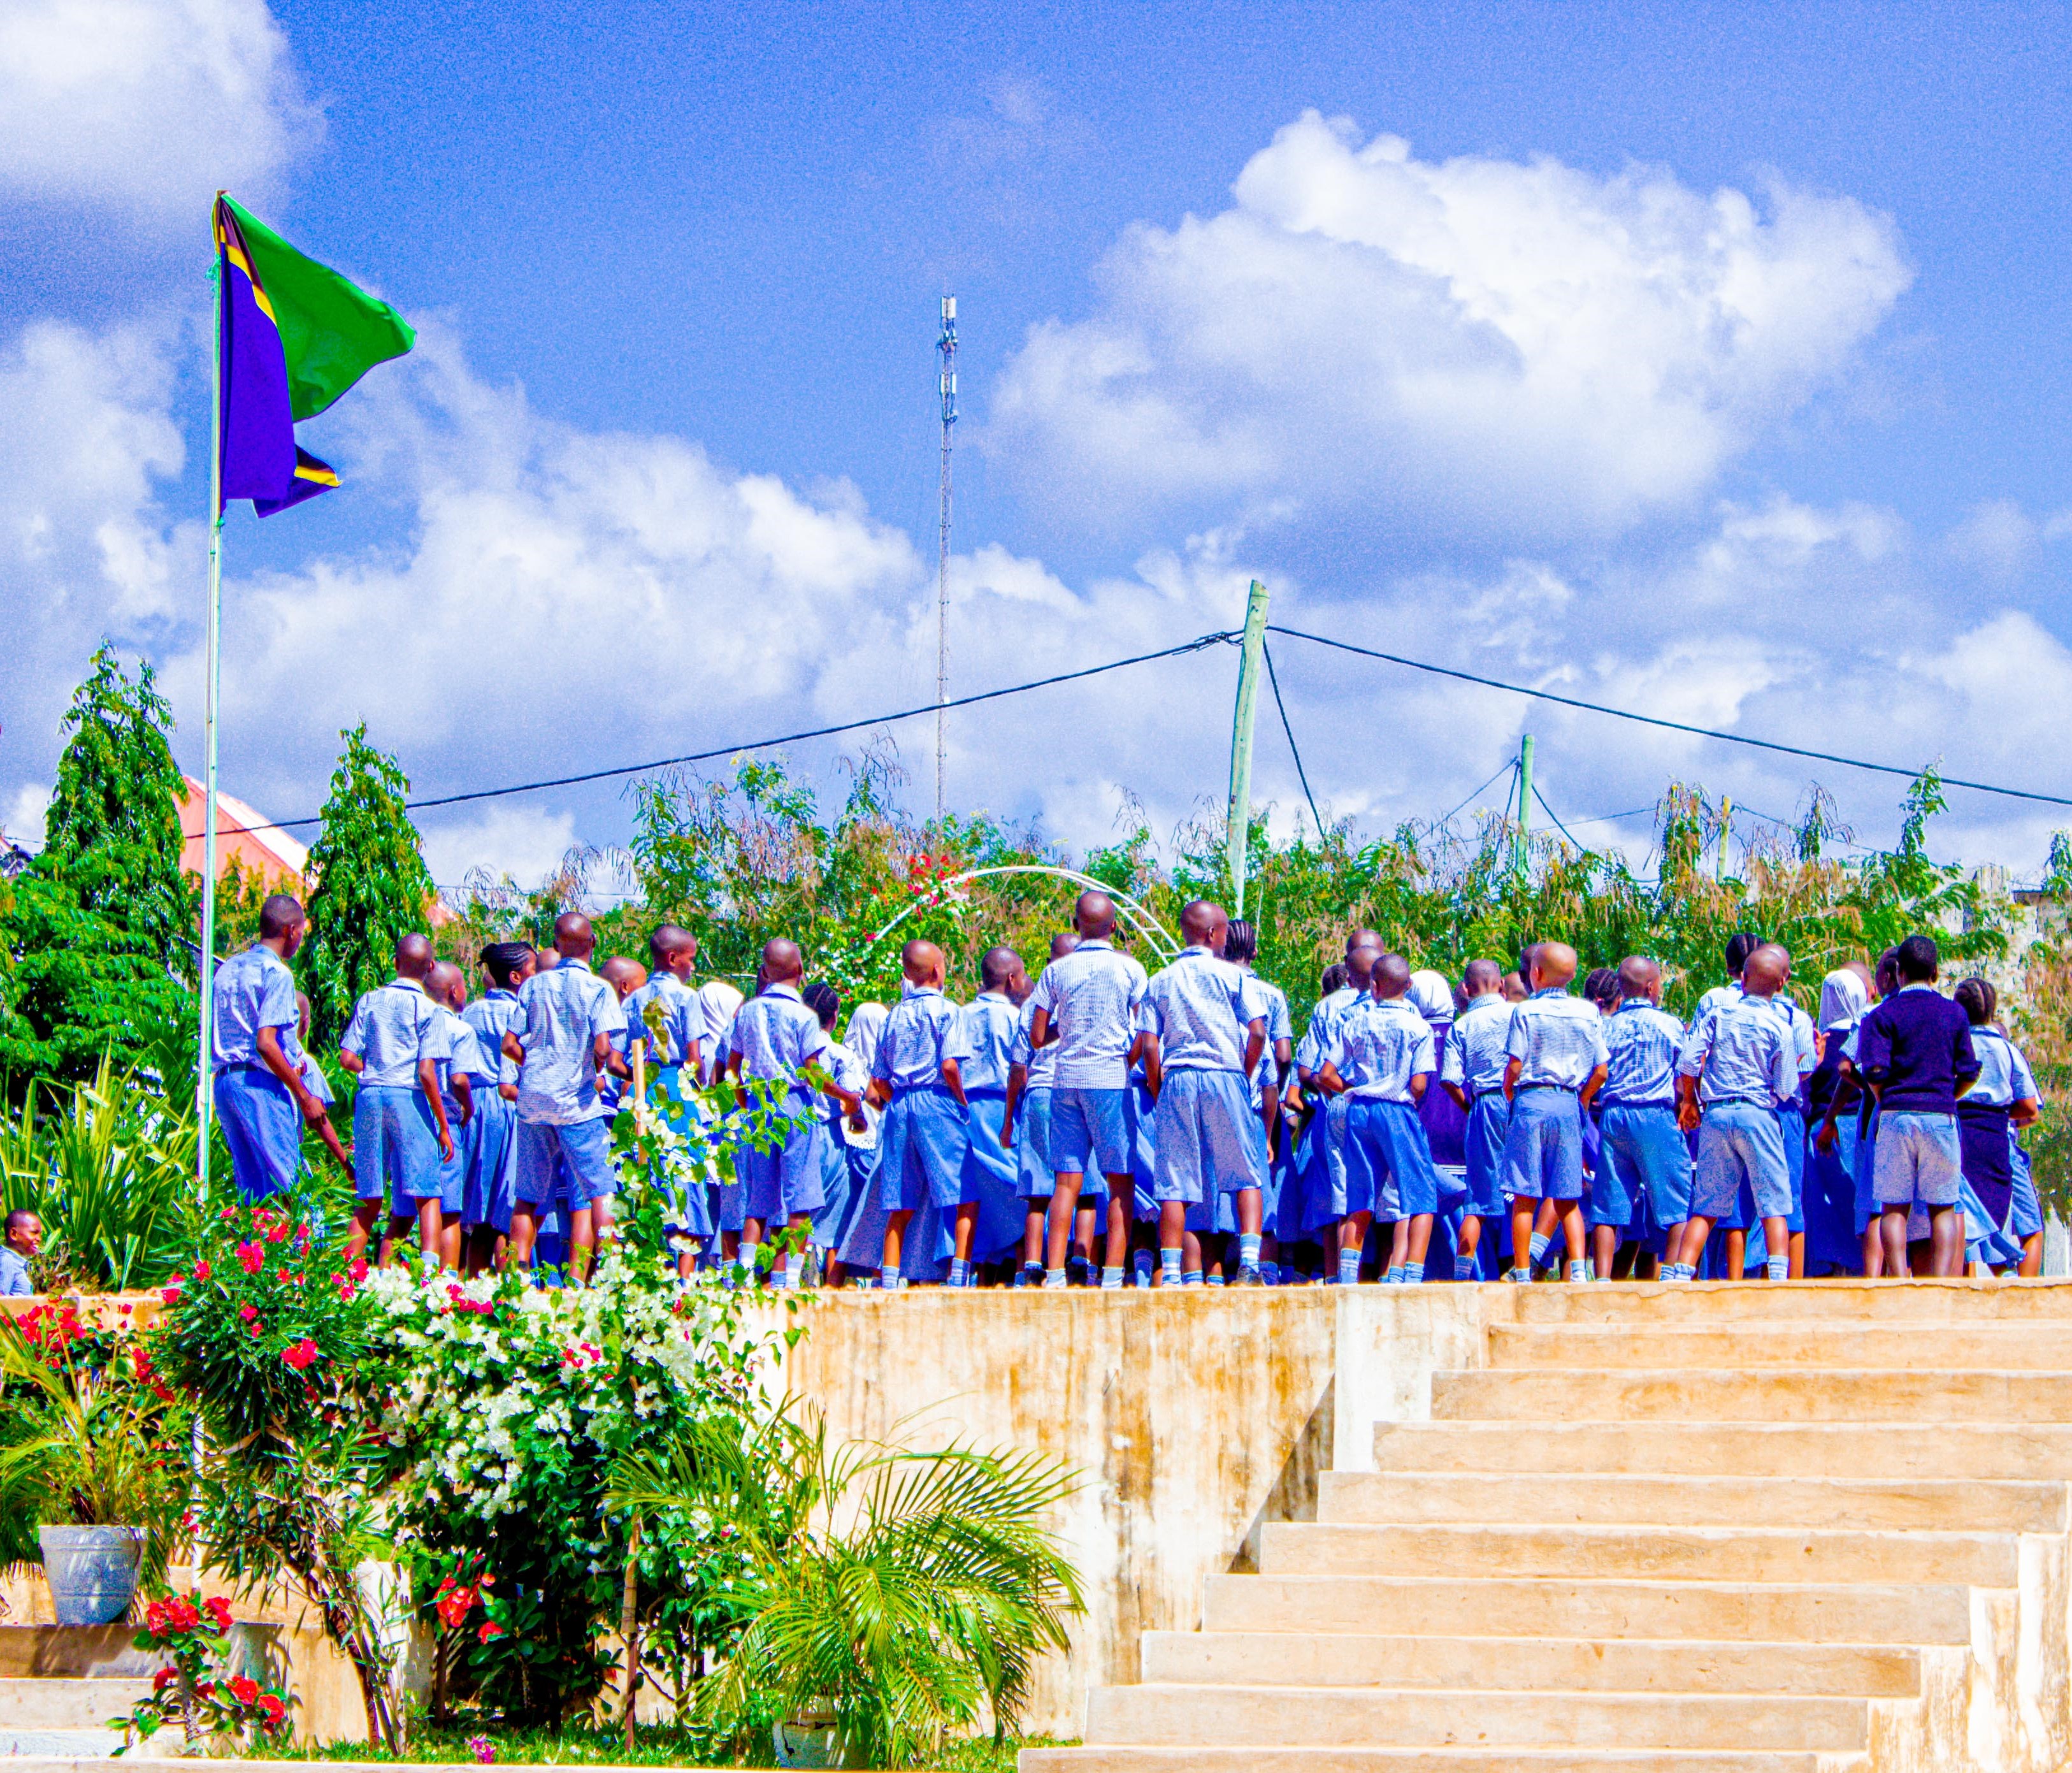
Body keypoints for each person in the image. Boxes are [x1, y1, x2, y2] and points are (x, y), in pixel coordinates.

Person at [1141, 901, 1270, 1287]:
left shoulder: (1160, 980)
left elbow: (1150, 1045)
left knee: (1175, 1181)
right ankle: (1249, 1266)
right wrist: (1243, 1073)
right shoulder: (1234, 977)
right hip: (1225, 1074)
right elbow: (1259, 1033)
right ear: (1215, 935)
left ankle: (1172, 1274)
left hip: (1179, 1076)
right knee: (1246, 1172)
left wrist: (1157, 1086)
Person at [1028, 892, 1152, 1289]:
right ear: (1114, 927)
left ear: (1076, 924)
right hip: (1111, 1078)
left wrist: (1069, 1030)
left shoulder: (1056, 972)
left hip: (1066, 1078)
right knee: (1119, 1179)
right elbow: (1144, 1032)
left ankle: (1054, 1273)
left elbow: (1036, 1037)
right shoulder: (1130, 969)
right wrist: (1127, 1061)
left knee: (1066, 1179)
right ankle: (1114, 1274)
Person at [504, 913, 629, 1279]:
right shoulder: (599, 989)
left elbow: (510, 1043)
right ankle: (612, 1275)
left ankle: (517, 1275)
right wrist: (592, 1066)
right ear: (592, 944)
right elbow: (605, 1047)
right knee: (600, 1190)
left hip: (533, 1102)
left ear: (556, 946)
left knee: (528, 1195)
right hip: (577, 1103)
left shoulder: (531, 987)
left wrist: (536, 1064)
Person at [1855, 934, 1979, 1278]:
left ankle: (1898, 1278)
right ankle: (1940, 1282)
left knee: (1893, 1206)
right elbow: (1969, 1071)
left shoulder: (1881, 1014)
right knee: (1943, 1206)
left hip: (1896, 1115)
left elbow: (1874, 1071)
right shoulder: (1954, 1014)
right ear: (1936, 972)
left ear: (1899, 973)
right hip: (1941, 1116)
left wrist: (1887, 1100)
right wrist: (1947, 1097)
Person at [1673, 944, 1797, 1282]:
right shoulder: (1781, 1027)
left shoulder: (1718, 1014)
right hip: (1758, 1115)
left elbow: (1688, 1060)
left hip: (1717, 1114)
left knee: (1708, 1204)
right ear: (1781, 985)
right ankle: (1779, 1279)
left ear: (1743, 979)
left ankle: (1682, 1274)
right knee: (1773, 1202)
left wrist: (1690, 1102)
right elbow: (1785, 1089)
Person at [730, 939, 848, 1288]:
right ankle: (793, 1279)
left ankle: (743, 1276)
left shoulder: (747, 1012)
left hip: (758, 1106)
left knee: (759, 1199)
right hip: (795, 1105)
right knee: (801, 1197)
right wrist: (847, 1097)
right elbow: (812, 1072)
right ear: (800, 971)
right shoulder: (804, 1016)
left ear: (764, 972)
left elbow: (732, 1068)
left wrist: (743, 1100)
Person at [1318, 953, 1443, 1284]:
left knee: (1360, 1196)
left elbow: (1325, 1074)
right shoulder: (1419, 1027)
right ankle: (1413, 1275)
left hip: (1359, 1111)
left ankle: (1347, 1278)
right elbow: (1419, 1084)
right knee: (1420, 1194)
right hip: (1398, 1110)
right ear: (1410, 986)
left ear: (1373, 986)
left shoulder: (1356, 1022)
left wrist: (1354, 1089)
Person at [340, 933, 456, 1268]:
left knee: (369, 1196)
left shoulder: (370, 1000)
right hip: (408, 1096)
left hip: (371, 1095)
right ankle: (431, 1276)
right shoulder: (429, 1010)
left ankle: (343, 1279)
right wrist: (444, 1127)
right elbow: (427, 1072)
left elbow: (347, 1058)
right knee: (427, 1192)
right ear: (431, 968)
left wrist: (376, 1068)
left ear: (394, 963)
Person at [211, 894, 333, 1203]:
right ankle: (303, 1252)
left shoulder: (226, 970)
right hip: (258, 1084)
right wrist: (304, 1096)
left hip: (225, 1084)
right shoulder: (277, 973)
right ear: (291, 931)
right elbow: (266, 1043)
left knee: (252, 1193)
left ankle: (255, 1251)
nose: (299, 941)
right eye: (301, 934)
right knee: (289, 1189)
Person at [1502, 942, 1607, 1283]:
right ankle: (1578, 1270)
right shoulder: (1589, 1012)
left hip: (1531, 1100)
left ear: (1535, 974)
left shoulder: (1525, 1012)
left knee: (1524, 1195)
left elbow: (1515, 1066)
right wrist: (1584, 1099)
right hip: (1568, 1101)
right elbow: (1602, 1071)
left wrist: (1510, 1095)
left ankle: (1521, 1272)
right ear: (1574, 975)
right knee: (1568, 1195)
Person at [871, 939, 973, 1288]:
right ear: (936, 970)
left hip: (900, 1103)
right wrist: (961, 1102)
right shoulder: (949, 1011)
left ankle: (889, 1278)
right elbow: (949, 1066)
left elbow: (878, 1079)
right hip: (937, 1098)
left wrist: (896, 1100)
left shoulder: (893, 1015)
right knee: (963, 1194)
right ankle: (959, 1274)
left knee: (899, 1202)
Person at [1594, 958, 1692, 1280]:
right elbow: (1684, 1075)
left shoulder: (1605, 1026)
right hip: (1655, 1114)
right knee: (1676, 1198)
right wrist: (1686, 1104)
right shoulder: (1670, 1024)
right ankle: (1673, 1274)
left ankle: (1603, 1280)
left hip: (1614, 1115)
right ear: (1651, 987)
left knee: (1609, 1204)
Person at [949, 946, 1030, 1278]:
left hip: (964, 1110)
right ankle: (1026, 1271)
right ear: (1013, 980)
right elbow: (1021, 1069)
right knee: (1021, 1189)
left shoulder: (960, 1014)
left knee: (972, 1192)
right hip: (1003, 1110)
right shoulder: (1015, 1017)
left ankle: (964, 1270)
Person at [1004, 934, 1079, 1285]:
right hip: (1075, 1092)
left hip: (1037, 1095)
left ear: (1049, 961)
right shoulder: (1086, 995)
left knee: (1037, 1190)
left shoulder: (1034, 1002)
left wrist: (1008, 1121)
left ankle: (1033, 1266)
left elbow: (1018, 1065)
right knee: (1085, 1185)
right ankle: (1078, 1260)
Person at [460, 943, 533, 1274]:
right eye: (534, 971)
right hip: (509, 1106)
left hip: (475, 1108)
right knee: (507, 1207)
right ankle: (509, 1291)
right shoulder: (520, 1015)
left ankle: (473, 1284)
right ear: (517, 977)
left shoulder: (471, 1012)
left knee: (479, 1208)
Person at [1441, 960, 1513, 1280]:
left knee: (1479, 1199)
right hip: (1523, 1101)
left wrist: (1471, 1107)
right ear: (1501, 986)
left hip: (1485, 1103)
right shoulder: (1519, 1015)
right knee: (1532, 1190)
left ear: (1466, 990)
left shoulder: (1462, 1026)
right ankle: (1527, 1270)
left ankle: (1462, 1276)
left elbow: (1449, 1080)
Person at [1227, 920, 1290, 1280]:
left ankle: (1211, 1275)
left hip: (1214, 1095)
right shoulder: (1271, 994)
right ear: (1254, 953)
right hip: (1258, 1102)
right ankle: (1262, 1273)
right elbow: (1282, 1054)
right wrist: (1275, 1093)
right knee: (1260, 1189)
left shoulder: (1211, 984)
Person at [421, 962, 484, 1271]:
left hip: (417, 1117)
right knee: (449, 1211)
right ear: (455, 992)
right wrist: (468, 1109)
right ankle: (447, 1285)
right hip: (447, 1117)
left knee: (414, 1206)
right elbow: (459, 1080)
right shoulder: (461, 1030)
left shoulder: (418, 1022)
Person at [0, 1210, 38, 1296]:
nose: (39, 1238)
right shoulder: (7, 1260)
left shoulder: (16, 1263)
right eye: (33, 1233)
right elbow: (2, 1300)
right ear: (14, 1234)